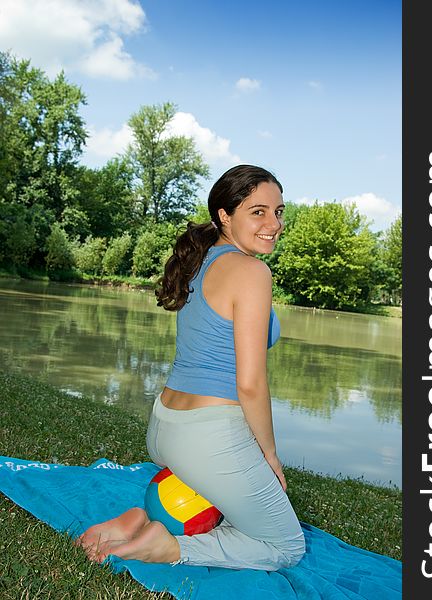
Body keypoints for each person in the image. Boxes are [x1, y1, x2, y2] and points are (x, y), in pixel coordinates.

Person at [76, 164, 306, 570]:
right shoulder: (253, 271)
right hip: (208, 437)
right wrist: (269, 456)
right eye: (259, 211)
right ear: (225, 215)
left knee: (241, 504)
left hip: (165, 427)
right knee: (287, 547)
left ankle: (143, 519)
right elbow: (250, 384)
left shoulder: (201, 261)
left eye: (279, 211)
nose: (274, 223)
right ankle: (169, 547)